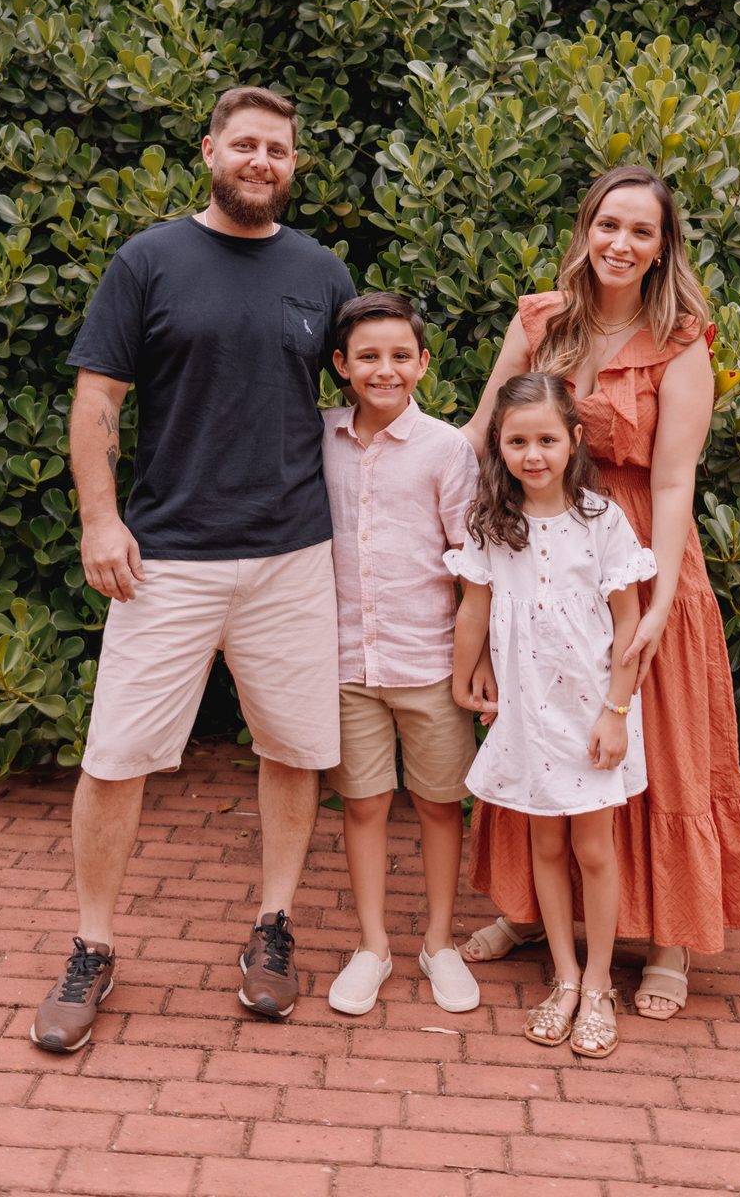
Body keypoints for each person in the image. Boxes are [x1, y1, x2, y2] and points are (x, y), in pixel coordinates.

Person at [29, 86, 356, 1052]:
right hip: (166, 559)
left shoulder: (322, 272)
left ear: (294, 165)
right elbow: (97, 404)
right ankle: (93, 943)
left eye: (279, 150)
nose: (262, 160)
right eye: (246, 144)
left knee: (293, 748)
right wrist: (100, 519)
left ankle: (274, 926)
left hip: (294, 554)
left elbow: (378, 391)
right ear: (211, 149)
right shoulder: (149, 260)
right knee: (115, 755)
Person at [458, 165, 740, 1018]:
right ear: (585, 229)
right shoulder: (543, 320)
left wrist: (664, 593)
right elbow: (485, 431)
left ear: (663, 245)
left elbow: (673, 483)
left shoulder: (681, 340)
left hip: (638, 551)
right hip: (538, 548)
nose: (621, 244)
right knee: (540, 722)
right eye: (608, 225)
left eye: (641, 231)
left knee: (655, 737)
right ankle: (526, 912)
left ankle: (665, 940)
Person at [450, 372, 655, 1057]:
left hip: (592, 712)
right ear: (499, 446)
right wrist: (465, 676)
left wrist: (617, 712)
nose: (531, 454)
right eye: (516, 441)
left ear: (572, 440)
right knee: (543, 845)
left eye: (545, 439)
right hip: (527, 715)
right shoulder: (491, 522)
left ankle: (599, 983)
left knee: (594, 848)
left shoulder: (602, 521)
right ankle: (563, 977)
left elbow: (627, 629)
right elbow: (476, 606)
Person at [322, 293, 482, 1017]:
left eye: (398, 356)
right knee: (363, 805)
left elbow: (471, 563)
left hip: (427, 663)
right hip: (344, 663)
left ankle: (439, 942)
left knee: (440, 806)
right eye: (367, 357)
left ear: (422, 363)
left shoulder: (447, 449)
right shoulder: (318, 437)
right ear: (341, 367)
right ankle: (373, 945)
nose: (383, 370)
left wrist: (476, 660)